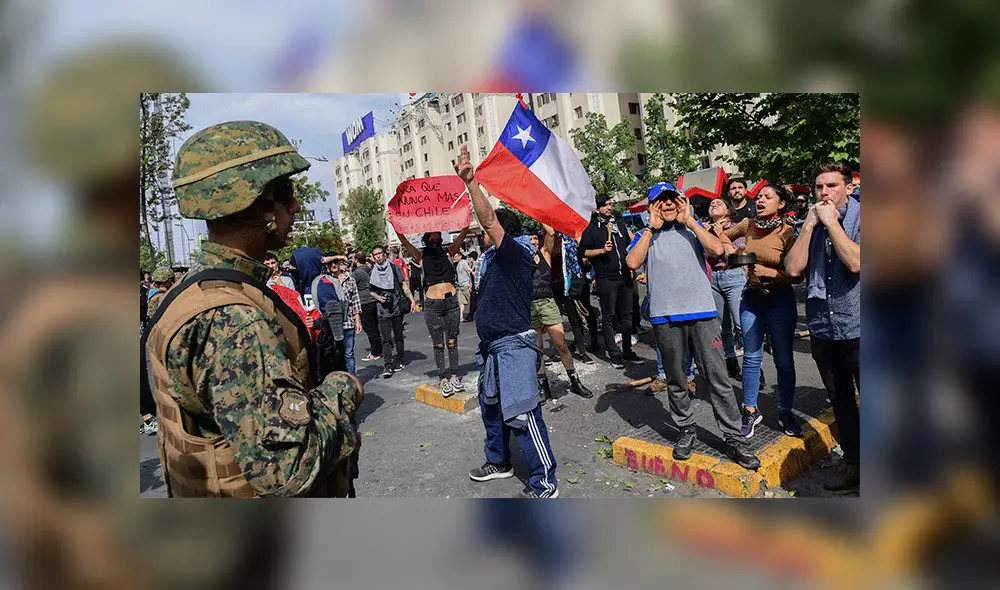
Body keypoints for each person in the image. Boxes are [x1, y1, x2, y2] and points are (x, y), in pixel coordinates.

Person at [144, 119, 362, 497]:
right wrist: (342, 388)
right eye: (286, 193)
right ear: (258, 201)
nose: (295, 206)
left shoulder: (188, 292)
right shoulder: (235, 318)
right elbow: (288, 470)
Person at [625, 182, 760, 470]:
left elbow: (716, 250)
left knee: (718, 378)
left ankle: (734, 437)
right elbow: (632, 262)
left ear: (681, 202)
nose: (667, 205)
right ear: (651, 207)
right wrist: (650, 228)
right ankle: (686, 429)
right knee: (676, 379)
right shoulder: (644, 234)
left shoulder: (693, 227)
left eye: (672, 200)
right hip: (666, 318)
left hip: (702, 314)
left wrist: (690, 220)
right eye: (659, 202)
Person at [456, 144, 560, 498]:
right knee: (492, 408)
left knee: (522, 414)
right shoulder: (493, 260)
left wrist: (471, 183)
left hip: (514, 347)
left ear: (501, 231)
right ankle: (499, 463)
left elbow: (487, 218)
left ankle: (544, 483)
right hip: (493, 349)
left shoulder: (514, 253)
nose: (484, 233)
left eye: (490, 230)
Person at [785, 162, 860, 492]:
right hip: (823, 327)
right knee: (841, 401)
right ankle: (855, 464)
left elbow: (857, 262)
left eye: (831, 185)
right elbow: (793, 267)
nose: (824, 193)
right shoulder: (811, 223)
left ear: (848, 187)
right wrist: (809, 227)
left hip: (861, 325)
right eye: (819, 187)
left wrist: (832, 226)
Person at [726, 185, 802, 438]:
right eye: (759, 197)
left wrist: (771, 273)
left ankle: (786, 410)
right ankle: (750, 410)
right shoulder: (747, 224)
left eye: (768, 197)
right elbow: (722, 237)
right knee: (750, 356)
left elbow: (797, 273)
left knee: (783, 359)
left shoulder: (789, 231)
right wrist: (733, 250)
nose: (760, 200)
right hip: (752, 296)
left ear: (781, 204)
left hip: (780, 298)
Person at [396, 226, 471, 395]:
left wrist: (466, 219)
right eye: (432, 238)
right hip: (433, 306)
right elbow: (404, 241)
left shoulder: (449, 252)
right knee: (439, 344)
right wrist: (395, 224)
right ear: (427, 239)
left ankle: (453, 376)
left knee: (452, 341)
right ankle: (443, 379)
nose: (435, 240)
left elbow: (463, 233)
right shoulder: (421, 256)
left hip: (451, 302)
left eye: (438, 238)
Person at [530, 226, 594, 402]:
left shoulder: (545, 253)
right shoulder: (521, 260)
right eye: (530, 239)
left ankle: (574, 380)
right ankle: (543, 387)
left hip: (548, 303)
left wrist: (542, 211)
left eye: (535, 238)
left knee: (561, 344)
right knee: (538, 349)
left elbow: (551, 234)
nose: (533, 242)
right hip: (530, 306)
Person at [578, 194, 642, 368]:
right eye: (605, 205)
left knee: (627, 316)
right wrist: (601, 251)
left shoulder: (619, 225)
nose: (609, 207)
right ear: (597, 209)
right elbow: (583, 252)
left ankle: (627, 351)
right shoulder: (591, 228)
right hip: (606, 278)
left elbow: (630, 245)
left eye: (610, 204)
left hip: (625, 276)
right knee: (609, 316)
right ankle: (614, 354)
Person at [705, 198, 747, 379]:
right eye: (711, 204)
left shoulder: (737, 228)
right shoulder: (703, 230)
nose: (714, 204)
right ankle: (730, 359)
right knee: (722, 326)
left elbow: (736, 254)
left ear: (728, 212)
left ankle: (753, 366)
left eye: (719, 203)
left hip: (733, 274)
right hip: (712, 278)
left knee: (742, 323)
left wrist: (721, 233)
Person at [369, 245, 416, 379]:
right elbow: (370, 290)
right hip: (382, 309)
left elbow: (403, 285)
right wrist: (379, 297)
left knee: (398, 335)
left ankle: (400, 360)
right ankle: (388, 365)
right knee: (386, 339)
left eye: (380, 253)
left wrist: (412, 300)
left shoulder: (394, 268)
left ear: (384, 254)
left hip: (396, 306)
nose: (378, 256)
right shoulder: (373, 272)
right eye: (375, 254)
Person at [550, 231, 596, 364]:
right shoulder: (550, 241)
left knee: (575, 318)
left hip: (570, 284)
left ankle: (582, 351)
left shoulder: (571, 240)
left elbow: (584, 257)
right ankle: (560, 349)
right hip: (554, 284)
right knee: (555, 320)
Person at [330, 257, 363, 375]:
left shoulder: (350, 279)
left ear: (339, 263)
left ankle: (352, 381)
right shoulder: (326, 280)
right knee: (336, 354)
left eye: (335, 262)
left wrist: (357, 320)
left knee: (349, 354)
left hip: (348, 322)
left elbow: (355, 300)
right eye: (330, 263)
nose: (333, 265)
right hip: (333, 325)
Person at [353, 252, 383, 362]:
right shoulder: (369, 269)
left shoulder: (357, 273)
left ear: (356, 260)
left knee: (369, 328)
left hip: (364, 301)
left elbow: (351, 285)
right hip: (372, 300)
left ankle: (376, 351)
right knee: (374, 326)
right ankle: (379, 348)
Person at [454, 250, 474, 321]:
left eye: (456, 256)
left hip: (466, 284)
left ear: (460, 256)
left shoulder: (463, 263)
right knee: (461, 302)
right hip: (460, 286)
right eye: (454, 257)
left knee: (472, 301)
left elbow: (469, 271)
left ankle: (476, 314)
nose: (455, 258)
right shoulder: (458, 264)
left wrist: (471, 282)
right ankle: (461, 316)